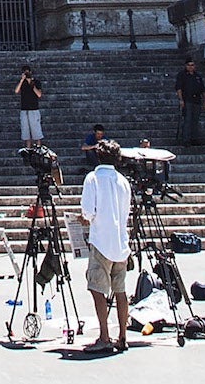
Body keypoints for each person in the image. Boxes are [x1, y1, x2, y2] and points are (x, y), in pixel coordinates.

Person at [78, 141, 132, 354]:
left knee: (97, 288)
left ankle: (104, 335)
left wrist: (85, 219)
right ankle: (122, 336)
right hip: (120, 241)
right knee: (120, 290)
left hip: (101, 239)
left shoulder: (93, 179)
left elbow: (88, 211)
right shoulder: (123, 181)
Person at [174, 58, 205, 147]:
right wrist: (181, 99)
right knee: (187, 120)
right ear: (185, 65)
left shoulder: (197, 76)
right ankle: (186, 139)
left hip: (197, 100)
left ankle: (194, 138)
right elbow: (179, 88)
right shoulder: (182, 75)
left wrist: (204, 102)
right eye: (189, 65)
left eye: (192, 65)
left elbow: (202, 89)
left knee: (195, 120)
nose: (191, 67)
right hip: (187, 100)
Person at [16, 66, 45, 147]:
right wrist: (22, 80)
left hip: (34, 109)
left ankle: (38, 149)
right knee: (26, 134)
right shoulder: (22, 83)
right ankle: (28, 150)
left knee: (36, 133)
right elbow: (16, 90)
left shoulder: (36, 82)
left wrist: (32, 84)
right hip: (24, 109)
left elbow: (39, 94)